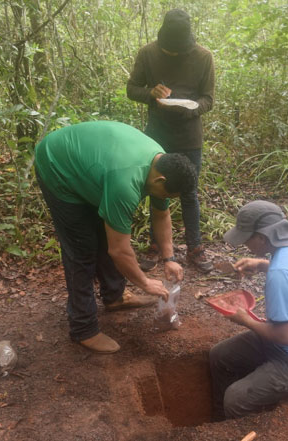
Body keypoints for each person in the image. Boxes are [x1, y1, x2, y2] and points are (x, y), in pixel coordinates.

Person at [34, 121, 198, 354]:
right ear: (160, 181)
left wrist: (169, 257)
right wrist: (144, 282)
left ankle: (115, 297)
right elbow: (119, 250)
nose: (166, 198)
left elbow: (161, 214)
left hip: (96, 168)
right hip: (58, 166)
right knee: (82, 249)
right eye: (168, 194)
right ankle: (83, 328)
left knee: (105, 232)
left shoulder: (163, 166)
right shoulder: (125, 183)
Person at [209, 201, 288, 419]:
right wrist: (262, 264)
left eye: (247, 238)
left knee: (235, 398)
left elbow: (284, 336)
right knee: (219, 356)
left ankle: (241, 422)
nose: (244, 244)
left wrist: (244, 319)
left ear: (262, 237)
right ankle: (221, 419)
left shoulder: (282, 273)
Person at [127, 8, 215, 273]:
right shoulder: (148, 53)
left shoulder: (203, 57)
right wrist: (150, 93)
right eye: (169, 51)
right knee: (158, 191)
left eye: (179, 51)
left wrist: (192, 108)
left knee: (188, 192)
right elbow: (132, 89)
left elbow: (208, 99)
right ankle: (157, 245)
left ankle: (195, 248)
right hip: (156, 136)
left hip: (189, 135)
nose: (174, 54)